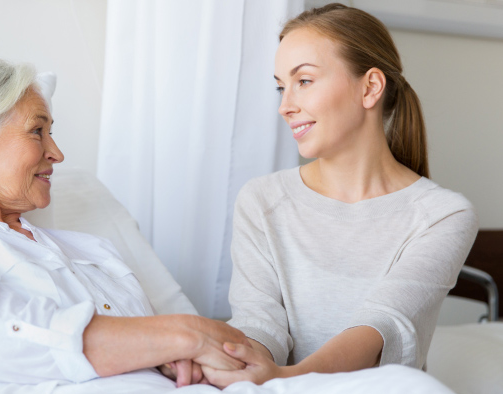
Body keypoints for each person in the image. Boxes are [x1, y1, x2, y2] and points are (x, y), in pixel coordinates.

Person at [0, 57, 247, 392]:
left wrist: (171, 355)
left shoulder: (93, 251)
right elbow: (16, 340)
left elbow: (157, 352)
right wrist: (185, 335)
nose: (57, 153)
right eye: (37, 131)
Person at [200, 3, 478, 388]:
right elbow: (259, 321)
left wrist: (287, 379)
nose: (285, 106)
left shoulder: (443, 215)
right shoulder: (261, 200)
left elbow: (381, 324)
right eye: (281, 86)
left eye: (305, 81)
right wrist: (245, 365)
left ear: (370, 87)